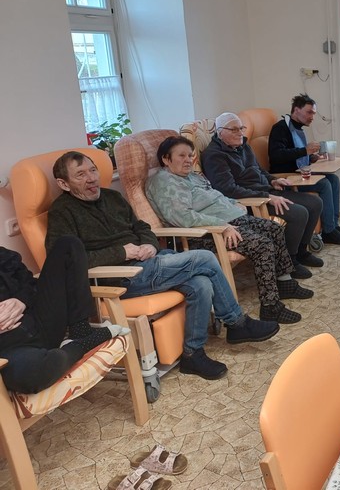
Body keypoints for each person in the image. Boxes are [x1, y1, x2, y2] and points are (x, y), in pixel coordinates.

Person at [46, 151, 279, 381]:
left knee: (200, 283)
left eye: (93, 170)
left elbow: (142, 228)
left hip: (148, 262)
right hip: (121, 277)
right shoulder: (62, 212)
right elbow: (64, 261)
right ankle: (236, 323)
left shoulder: (112, 197)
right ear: (63, 184)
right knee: (205, 258)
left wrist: (149, 244)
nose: (91, 178)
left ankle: (192, 354)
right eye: (80, 175)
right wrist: (121, 252)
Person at [148, 136, 313, 326]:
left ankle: (284, 283)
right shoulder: (165, 182)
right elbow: (182, 217)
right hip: (206, 233)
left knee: (274, 229)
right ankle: (270, 307)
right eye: (181, 156)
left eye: (190, 155)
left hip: (230, 220)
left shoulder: (191, 176)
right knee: (262, 244)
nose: (188, 160)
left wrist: (234, 203)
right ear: (166, 159)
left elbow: (216, 197)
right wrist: (223, 226)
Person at [201, 112, 324, 279]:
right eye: (234, 129)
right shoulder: (214, 155)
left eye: (241, 128)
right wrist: (267, 197)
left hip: (266, 191)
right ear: (220, 132)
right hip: (251, 201)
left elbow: (259, 170)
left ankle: (301, 252)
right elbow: (227, 190)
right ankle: (289, 261)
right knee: (299, 213)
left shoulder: (243, 145)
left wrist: (273, 180)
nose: (240, 133)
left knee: (315, 203)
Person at [0, 237, 129, 394]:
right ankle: (80, 345)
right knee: (31, 374)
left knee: (68, 245)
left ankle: (80, 331)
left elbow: (30, 283)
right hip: (12, 351)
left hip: (40, 321)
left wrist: (21, 300)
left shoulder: (3, 255)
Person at [268, 94, 340, 245]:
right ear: (296, 110)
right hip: (287, 178)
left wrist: (311, 157)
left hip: (298, 172)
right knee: (324, 184)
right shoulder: (280, 128)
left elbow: (295, 155)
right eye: (309, 112)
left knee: (333, 179)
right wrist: (305, 151)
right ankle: (328, 232)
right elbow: (276, 155)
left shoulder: (298, 128)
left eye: (314, 113)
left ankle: (334, 225)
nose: (312, 117)